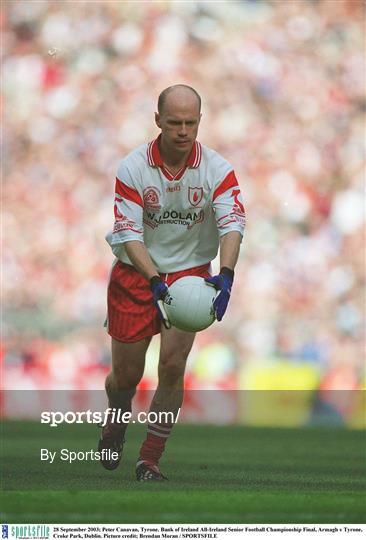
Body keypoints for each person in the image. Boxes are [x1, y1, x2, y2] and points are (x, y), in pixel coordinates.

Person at [100, 84, 246, 481]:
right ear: (158, 120)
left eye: (191, 123)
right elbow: (128, 232)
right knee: (125, 378)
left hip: (190, 274)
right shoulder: (133, 167)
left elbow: (233, 223)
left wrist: (227, 274)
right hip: (136, 272)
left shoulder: (217, 169)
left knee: (172, 365)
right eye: (175, 122)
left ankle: (149, 458)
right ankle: (117, 415)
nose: (183, 131)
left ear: (200, 121)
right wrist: (152, 279)